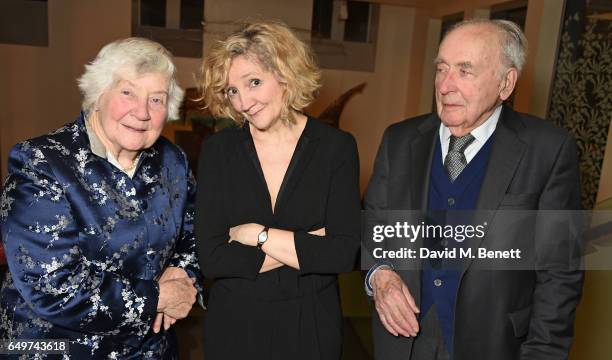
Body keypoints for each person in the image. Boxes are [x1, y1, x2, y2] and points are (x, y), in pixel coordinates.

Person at [364, 19, 583, 360]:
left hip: (495, 346)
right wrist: (380, 275)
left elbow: (560, 274)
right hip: (401, 344)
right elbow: (374, 227)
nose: (445, 85)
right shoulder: (399, 139)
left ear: (506, 83)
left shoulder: (549, 150)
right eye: (441, 69)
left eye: (465, 71)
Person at [0, 37, 200, 358]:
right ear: (98, 96)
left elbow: (195, 231)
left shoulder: (172, 160)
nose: (142, 112)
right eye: (127, 92)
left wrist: (183, 273)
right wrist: (158, 298)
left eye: (157, 99)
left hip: (150, 349)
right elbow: (52, 285)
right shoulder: (42, 162)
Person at [196, 21, 361, 359]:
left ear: (285, 74)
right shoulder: (218, 151)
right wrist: (308, 241)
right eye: (232, 91)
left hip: (311, 323)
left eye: (254, 82)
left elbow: (343, 252)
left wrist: (257, 234)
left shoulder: (336, 147)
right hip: (235, 325)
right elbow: (211, 259)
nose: (243, 103)